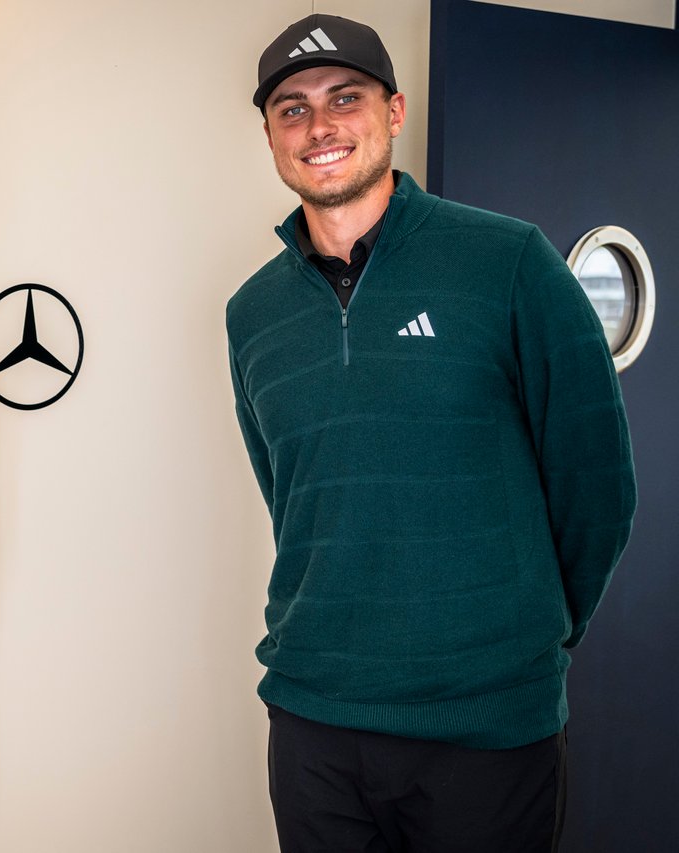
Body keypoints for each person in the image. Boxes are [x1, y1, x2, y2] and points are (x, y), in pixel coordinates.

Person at [226, 15, 635, 853]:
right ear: (269, 133)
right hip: (314, 718)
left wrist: (532, 633)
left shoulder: (510, 261)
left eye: (346, 98)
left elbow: (598, 487)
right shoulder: (251, 313)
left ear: (395, 111)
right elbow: (295, 492)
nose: (321, 126)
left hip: (487, 725)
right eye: (292, 109)